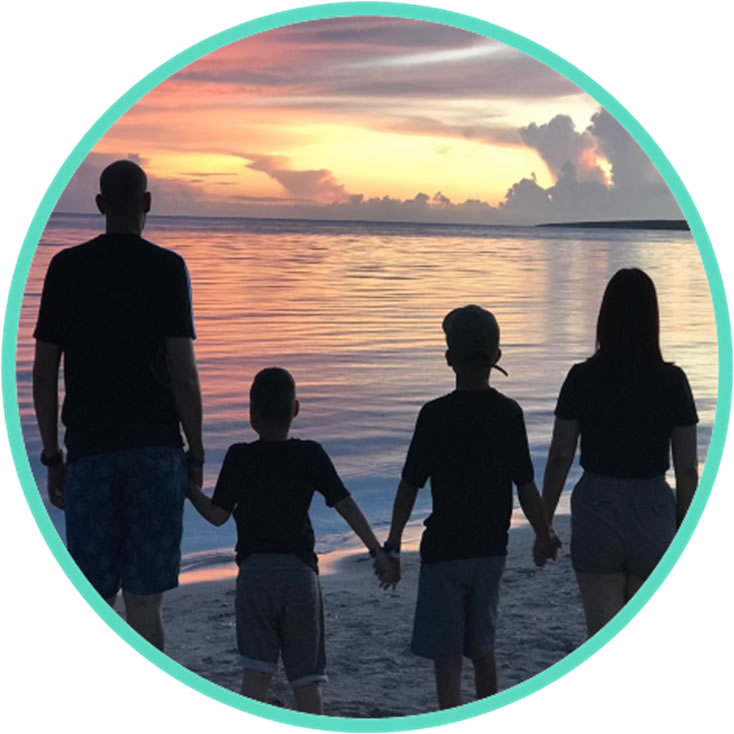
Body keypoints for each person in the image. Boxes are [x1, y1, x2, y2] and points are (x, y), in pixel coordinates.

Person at [33, 160, 204, 651]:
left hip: (89, 452)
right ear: (147, 203)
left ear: (101, 205)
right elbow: (183, 374)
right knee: (146, 603)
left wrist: (52, 456)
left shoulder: (66, 267)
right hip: (155, 452)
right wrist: (196, 452)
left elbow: (44, 374)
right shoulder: (168, 268)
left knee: (92, 600)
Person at [379, 305, 559, 710]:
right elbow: (526, 485)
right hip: (491, 550)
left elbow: (409, 486)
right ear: (496, 357)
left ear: (449, 359)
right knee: (482, 647)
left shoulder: (434, 415)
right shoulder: (509, 413)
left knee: (447, 656)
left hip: (444, 551)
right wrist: (544, 533)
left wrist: (393, 544)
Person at [187, 367, 388, 715]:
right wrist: (377, 551)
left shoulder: (239, 456)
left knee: (256, 674)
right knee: (306, 679)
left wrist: (187, 487)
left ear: (251, 414)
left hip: (254, 576)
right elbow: (346, 505)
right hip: (299, 575)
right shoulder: (310, 454)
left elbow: (217, 516)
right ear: (295, 409)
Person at [541, 268, 699, 637]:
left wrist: (544, 524)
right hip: (652, 505)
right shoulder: (673, 381)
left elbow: (560, 456)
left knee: (601, 634)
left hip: (598, 503)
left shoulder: (582, 377)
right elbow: (687, 468)